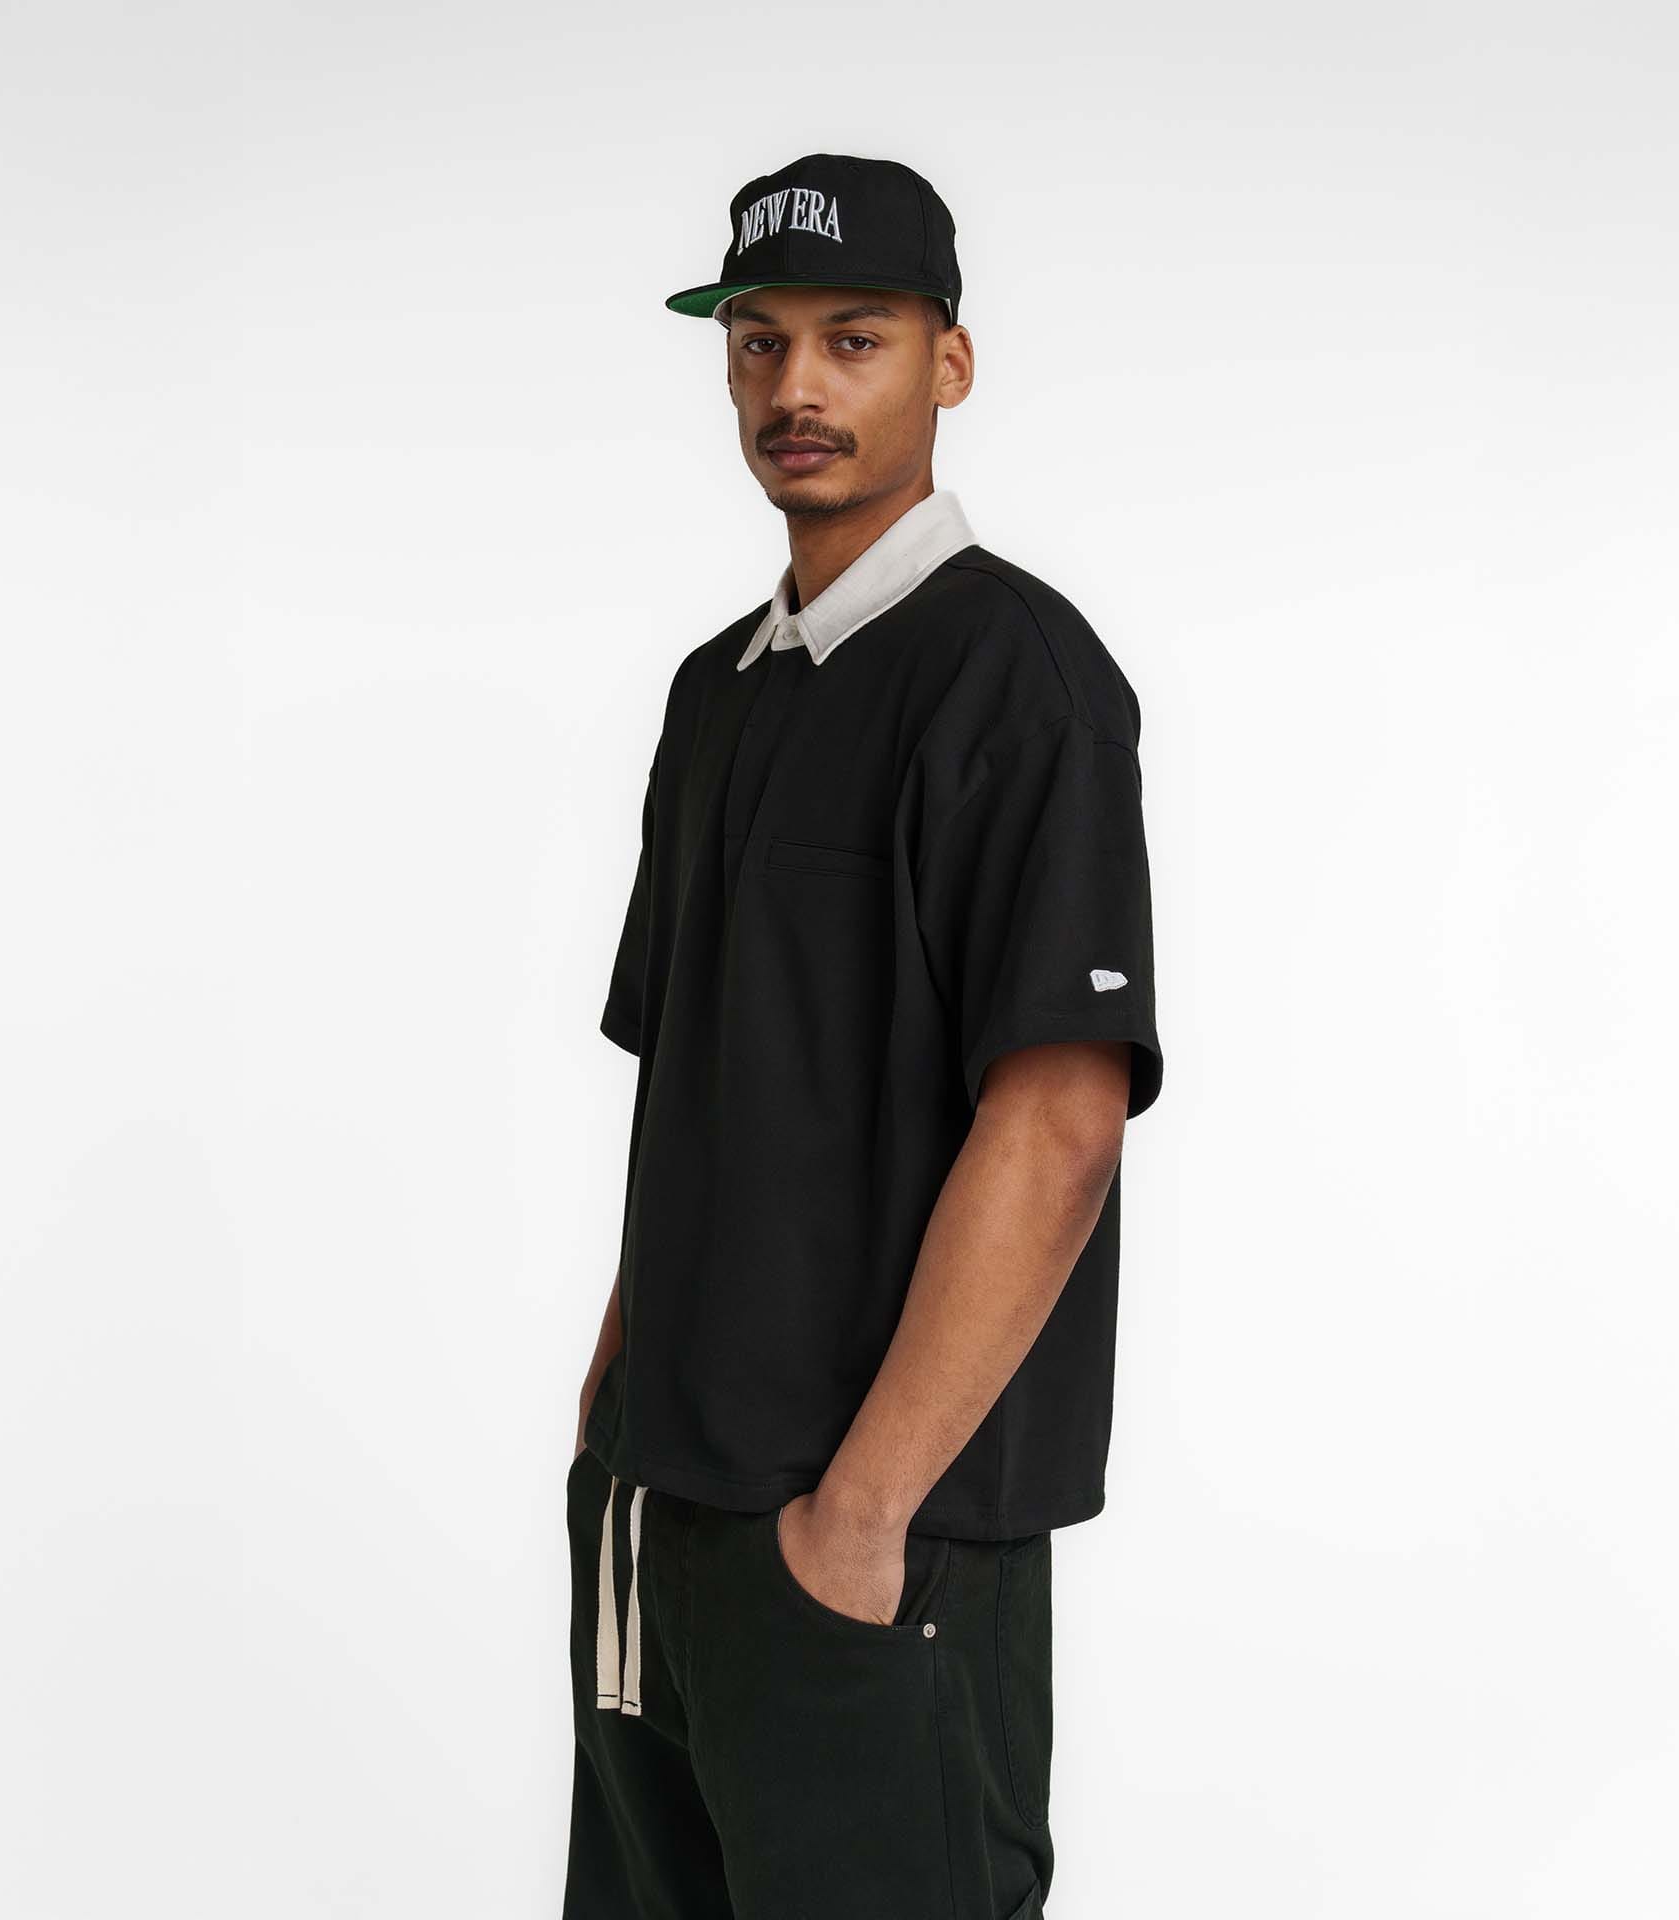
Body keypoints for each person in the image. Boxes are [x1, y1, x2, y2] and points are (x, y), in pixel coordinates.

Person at [562, 152, 1164, 1920]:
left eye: (854, 338)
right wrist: (614, 1410)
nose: (797, 388)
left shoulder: (1018, 680)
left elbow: (1060, 1121)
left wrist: (863, 1514)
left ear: (947, 364)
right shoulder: (716, 693)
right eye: (759, 343)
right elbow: (693, 1076)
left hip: (868, 1543)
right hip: (659, 1513)